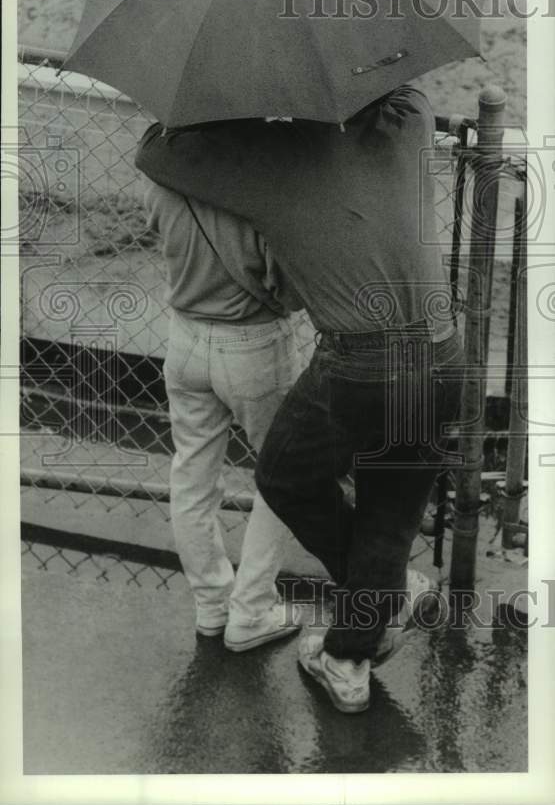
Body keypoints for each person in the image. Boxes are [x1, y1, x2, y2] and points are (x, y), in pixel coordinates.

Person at [136, 86, 464, 712]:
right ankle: (347, 654)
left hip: (360, 363)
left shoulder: (278, 164)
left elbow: (158, 153)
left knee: (284, 477)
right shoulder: (411, 123)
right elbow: (408, 91)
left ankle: (379, 597)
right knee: (391, 517)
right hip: (444, 356)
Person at [143, 178, 304, 650]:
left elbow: (155, 227)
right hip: (253, 344)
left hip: (185, 337)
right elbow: (288, 290)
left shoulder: (163, 176)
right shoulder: (259, 190)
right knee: (281, 474)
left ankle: (212, 605)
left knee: (192, 474)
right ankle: (252, 611)